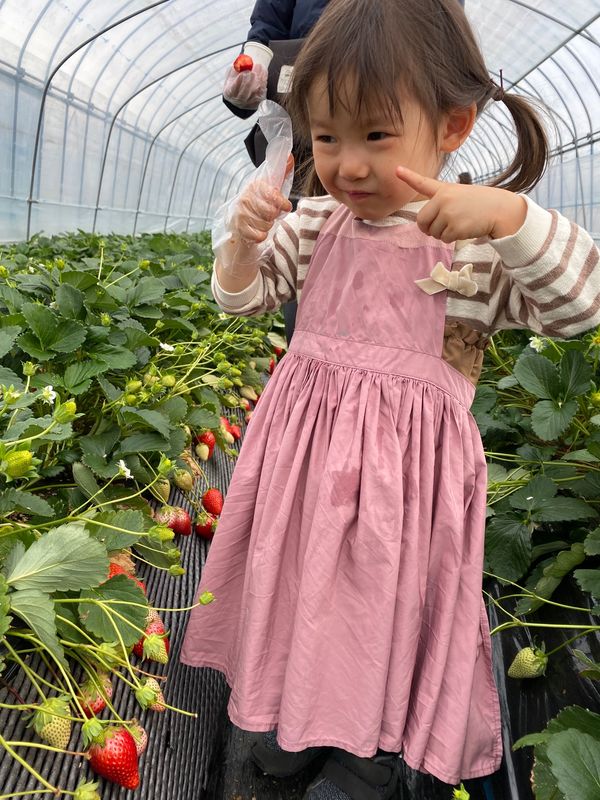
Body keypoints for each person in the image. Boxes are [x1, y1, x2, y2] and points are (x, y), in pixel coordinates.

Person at [181, 0, 600, 797]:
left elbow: (582, 306)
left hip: (403, 495)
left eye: (375, 136)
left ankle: (364, 755)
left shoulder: (478, 245)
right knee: (299, 585)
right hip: (303, 469)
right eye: (327, 138)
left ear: (451, 125)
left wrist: (510, 215)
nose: (348, 165)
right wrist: (241, 243)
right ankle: (287, 717)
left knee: (378, 612)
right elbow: (244, 297)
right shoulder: (314, 225)